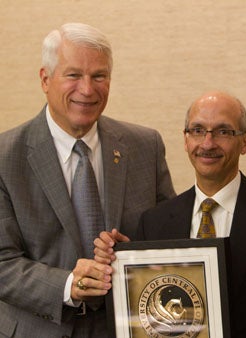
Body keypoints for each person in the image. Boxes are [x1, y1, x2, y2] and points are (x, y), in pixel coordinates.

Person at [95, 91, 246, 337]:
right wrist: (127, 263)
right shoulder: (154, 223)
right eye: (197, 130)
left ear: (245, 142)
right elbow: (146, 312)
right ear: (185, 140)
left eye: (223, 131)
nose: (208, 143)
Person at [0, 23, 175, 337]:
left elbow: (172, 242)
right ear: (45, 79)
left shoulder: (145, 146)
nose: (88, 89)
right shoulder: (4, 157)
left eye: (99, 76)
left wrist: (136, 252)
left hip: (129, 326)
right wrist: (69, 285)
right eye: (73, 75)